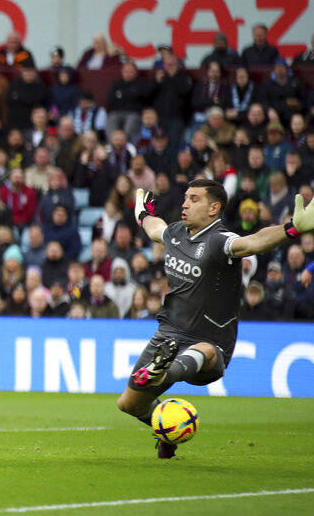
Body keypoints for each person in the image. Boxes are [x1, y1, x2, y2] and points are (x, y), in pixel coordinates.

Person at [122, 179, 314, 458]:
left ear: (214, 208)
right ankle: (169, 432)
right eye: (185, 197)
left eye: (194, 199)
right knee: (129, 404)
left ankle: (164, 371)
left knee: (205, 351)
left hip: (210, 342)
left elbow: (253, 241)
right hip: (168, 335)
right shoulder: (176, 233)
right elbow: (156, 229)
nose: (185, 204)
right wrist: (143, 215)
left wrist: (292, 229)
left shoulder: (220, 240)